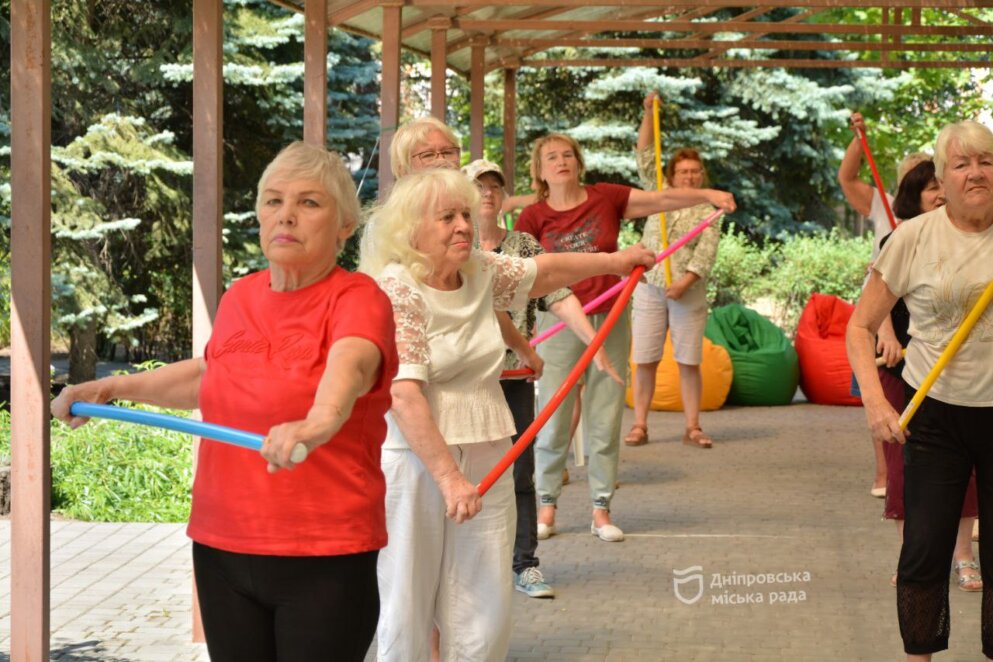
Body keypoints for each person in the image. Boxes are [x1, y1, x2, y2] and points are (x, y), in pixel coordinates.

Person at [51, 142, 399, 662]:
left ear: (344, 225)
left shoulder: (358, 298)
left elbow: (348, 368)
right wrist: (112, 386)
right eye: (273, 200)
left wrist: (317, 422)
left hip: (322, 551)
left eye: (309, 203)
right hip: (222, 545)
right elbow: (212, 375)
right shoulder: (242, 296)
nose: (286, 215)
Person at [361, 168, 656, 660]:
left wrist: (617, 260)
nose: (462, 225)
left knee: (486, 602)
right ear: (411, 228)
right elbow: (405, 394)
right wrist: (450, 478)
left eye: (464, 214)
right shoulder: (396, 287)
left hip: (489, 447)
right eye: (446, 217)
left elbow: (546, 273)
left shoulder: (478, 269)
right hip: (416, 463)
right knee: (407, 603)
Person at [514, 131, 736, 542]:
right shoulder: (532, 218)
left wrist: (708, 194)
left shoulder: (606, 198)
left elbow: (662, 200)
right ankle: (546, 505)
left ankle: (601, 509)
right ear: (540, 171)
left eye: (567, 155)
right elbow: (530, 277)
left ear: (578, 162)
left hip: (609, 317)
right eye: (551, 157)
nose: (561, 161)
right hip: (559, 321)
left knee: (605, 415)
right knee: (554, 418)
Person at [846, 120, 993, 661]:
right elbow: (859, 327)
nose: (976, 173)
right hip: (934, 415)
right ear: (942, 176)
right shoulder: (913, 237)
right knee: (925, 550)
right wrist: (875, 402)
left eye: (986, 162)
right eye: (962, 164)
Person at [463, 158, 622, 599]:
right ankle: (467, 567)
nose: (488, 194)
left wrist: (594, 344)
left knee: (519, 474)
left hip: (513, 377)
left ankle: (524, 564)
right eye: (479, 186)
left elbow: (557, 293)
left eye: (495, 185)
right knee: (464, 474)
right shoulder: (455, 244)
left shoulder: (522, 245)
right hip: (465, 380)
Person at [875, 158, 981, 591]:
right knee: (908, 473)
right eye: (931, 189)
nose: (940, 194)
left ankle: (963, 557)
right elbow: (874, 304)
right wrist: (887, 336)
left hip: (968, 379)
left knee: (967, 476)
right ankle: (915, 558)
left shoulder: (975, 240)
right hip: (908, 371)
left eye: (943, 186)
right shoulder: (901, 238)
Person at [839, 112, 930, 497]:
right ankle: (884, 474)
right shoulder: (883, 204)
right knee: (880, 391)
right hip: (880, 309)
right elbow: (846, 177)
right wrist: (860, 138)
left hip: (918, 310)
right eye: (913, 175)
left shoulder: (942, 220)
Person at [624, 92, 722, 449]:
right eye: (683, 171)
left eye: (695, 171)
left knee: (689, 359)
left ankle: (693, 426)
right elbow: (645, 155)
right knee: (645, 357)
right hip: (650, 286)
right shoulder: (658, 193)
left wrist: (685, 281)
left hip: (687, 291)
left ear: (702, 175)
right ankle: (639, 425)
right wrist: (649, 113)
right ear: (672, 175)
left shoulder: (709, 204)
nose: (689, 176)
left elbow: (707, 251)